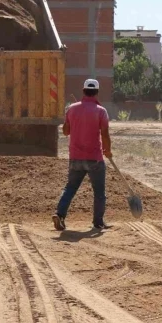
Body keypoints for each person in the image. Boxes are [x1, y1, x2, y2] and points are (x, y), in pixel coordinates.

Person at [52, 79, 111, 231]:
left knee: (70, 188)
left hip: (76, 157)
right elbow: (104, 134)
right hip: (95, 159)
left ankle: (60, 214)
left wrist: (69, 117)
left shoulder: (72, 109)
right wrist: (108, 150)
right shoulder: (101, 111)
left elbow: (66, 132)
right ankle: (98, 222)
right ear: (97, 92)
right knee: (99, 192)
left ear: (83, 91)